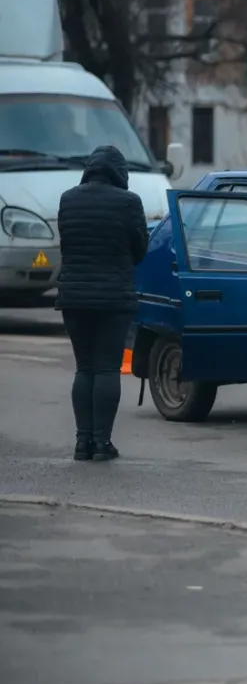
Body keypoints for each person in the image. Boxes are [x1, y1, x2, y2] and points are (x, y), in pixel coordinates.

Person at [55, 145, 148, 462]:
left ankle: (82, 443)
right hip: (113, 297)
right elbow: (139, 249)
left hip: (74, 297)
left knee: (85, 368)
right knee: (107, 367)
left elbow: (66, 245)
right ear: (120, 173)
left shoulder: (68, 199)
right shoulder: (129, 202)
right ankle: (101, 441)